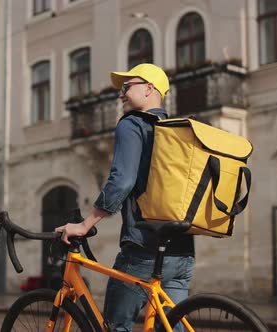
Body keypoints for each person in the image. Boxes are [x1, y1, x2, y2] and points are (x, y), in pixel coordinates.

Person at [55, 63, 195, 331]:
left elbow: (122, 181)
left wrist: (85, 224)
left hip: (144, 247)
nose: (121, 93)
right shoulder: (176, 131)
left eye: (127, 86)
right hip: (182, 249)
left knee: (115, 326)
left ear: (149, 89)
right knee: (172, 327)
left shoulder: (133, 125)